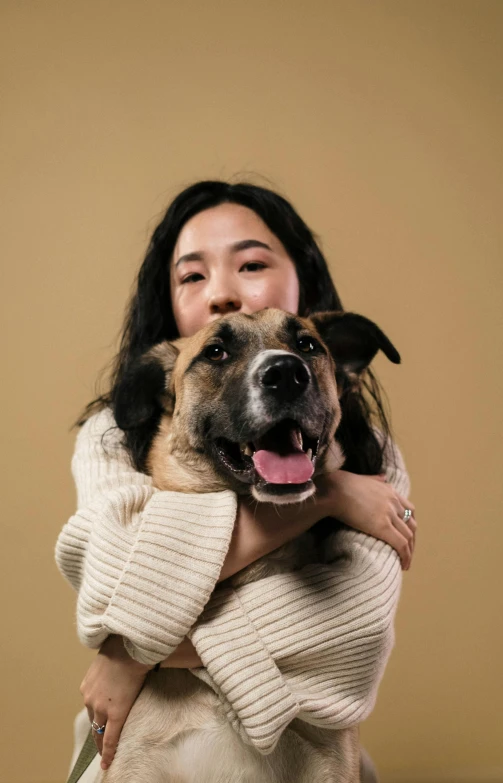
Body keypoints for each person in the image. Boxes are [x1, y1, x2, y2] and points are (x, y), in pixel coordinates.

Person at [55, 180, 416, 782]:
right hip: (141, 733)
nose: (223, 292)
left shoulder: (372, 455)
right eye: (194, 276)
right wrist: (328, 495)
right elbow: (113, 583)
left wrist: (136, 654)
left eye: (251, 263)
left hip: (303, 738)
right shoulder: (111, 435)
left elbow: (356, 634)